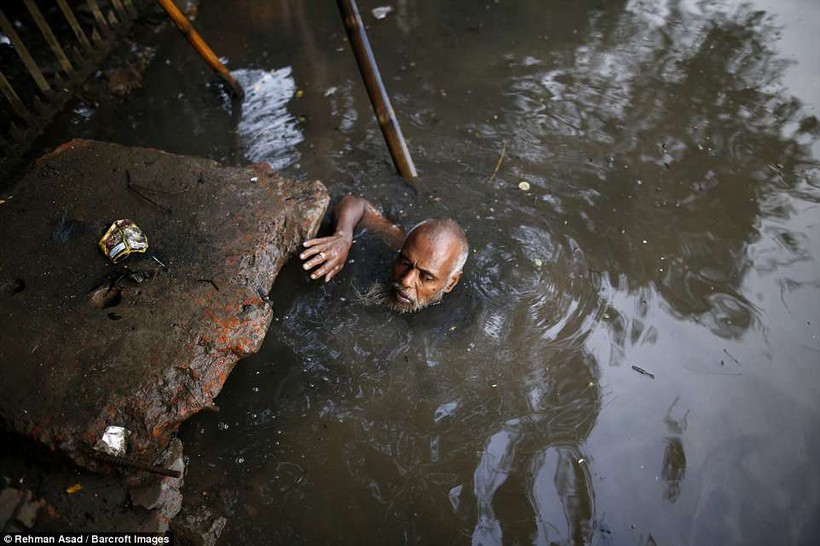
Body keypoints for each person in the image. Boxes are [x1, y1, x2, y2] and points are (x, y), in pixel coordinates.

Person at [299, 195, 468, 313]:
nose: (405, 280)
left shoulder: (456, 317)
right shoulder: (405, 244)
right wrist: (343, 237)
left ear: (451, 283)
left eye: (426, 277)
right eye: (405, 263)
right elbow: (357, 203)